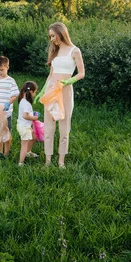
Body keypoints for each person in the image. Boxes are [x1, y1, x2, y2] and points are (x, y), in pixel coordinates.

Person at [34, 22, 85, 168]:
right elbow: (50, 75)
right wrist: (43, 91)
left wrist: (67, 81)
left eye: (53, 35)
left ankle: (61, 160)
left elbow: (82, 73)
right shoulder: (54, 51)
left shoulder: (74, 51)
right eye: (49, 36)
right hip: (51, 91)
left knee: (64, 125)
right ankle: (48, 160)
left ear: (60, 33)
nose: (51, 39)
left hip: (65, 90)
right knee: (49, 126)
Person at [17, 81, 40, 166]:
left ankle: (28, 152)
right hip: (24, 127)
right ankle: (21, 162)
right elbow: (25, 115)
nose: (35, 94)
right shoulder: (27, 103)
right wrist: (34, 118)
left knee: (34, 137)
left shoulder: (23, 100)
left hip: (22, 125)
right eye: (35, 92)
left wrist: (32, 114)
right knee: (24, 145)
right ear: (31, 92)